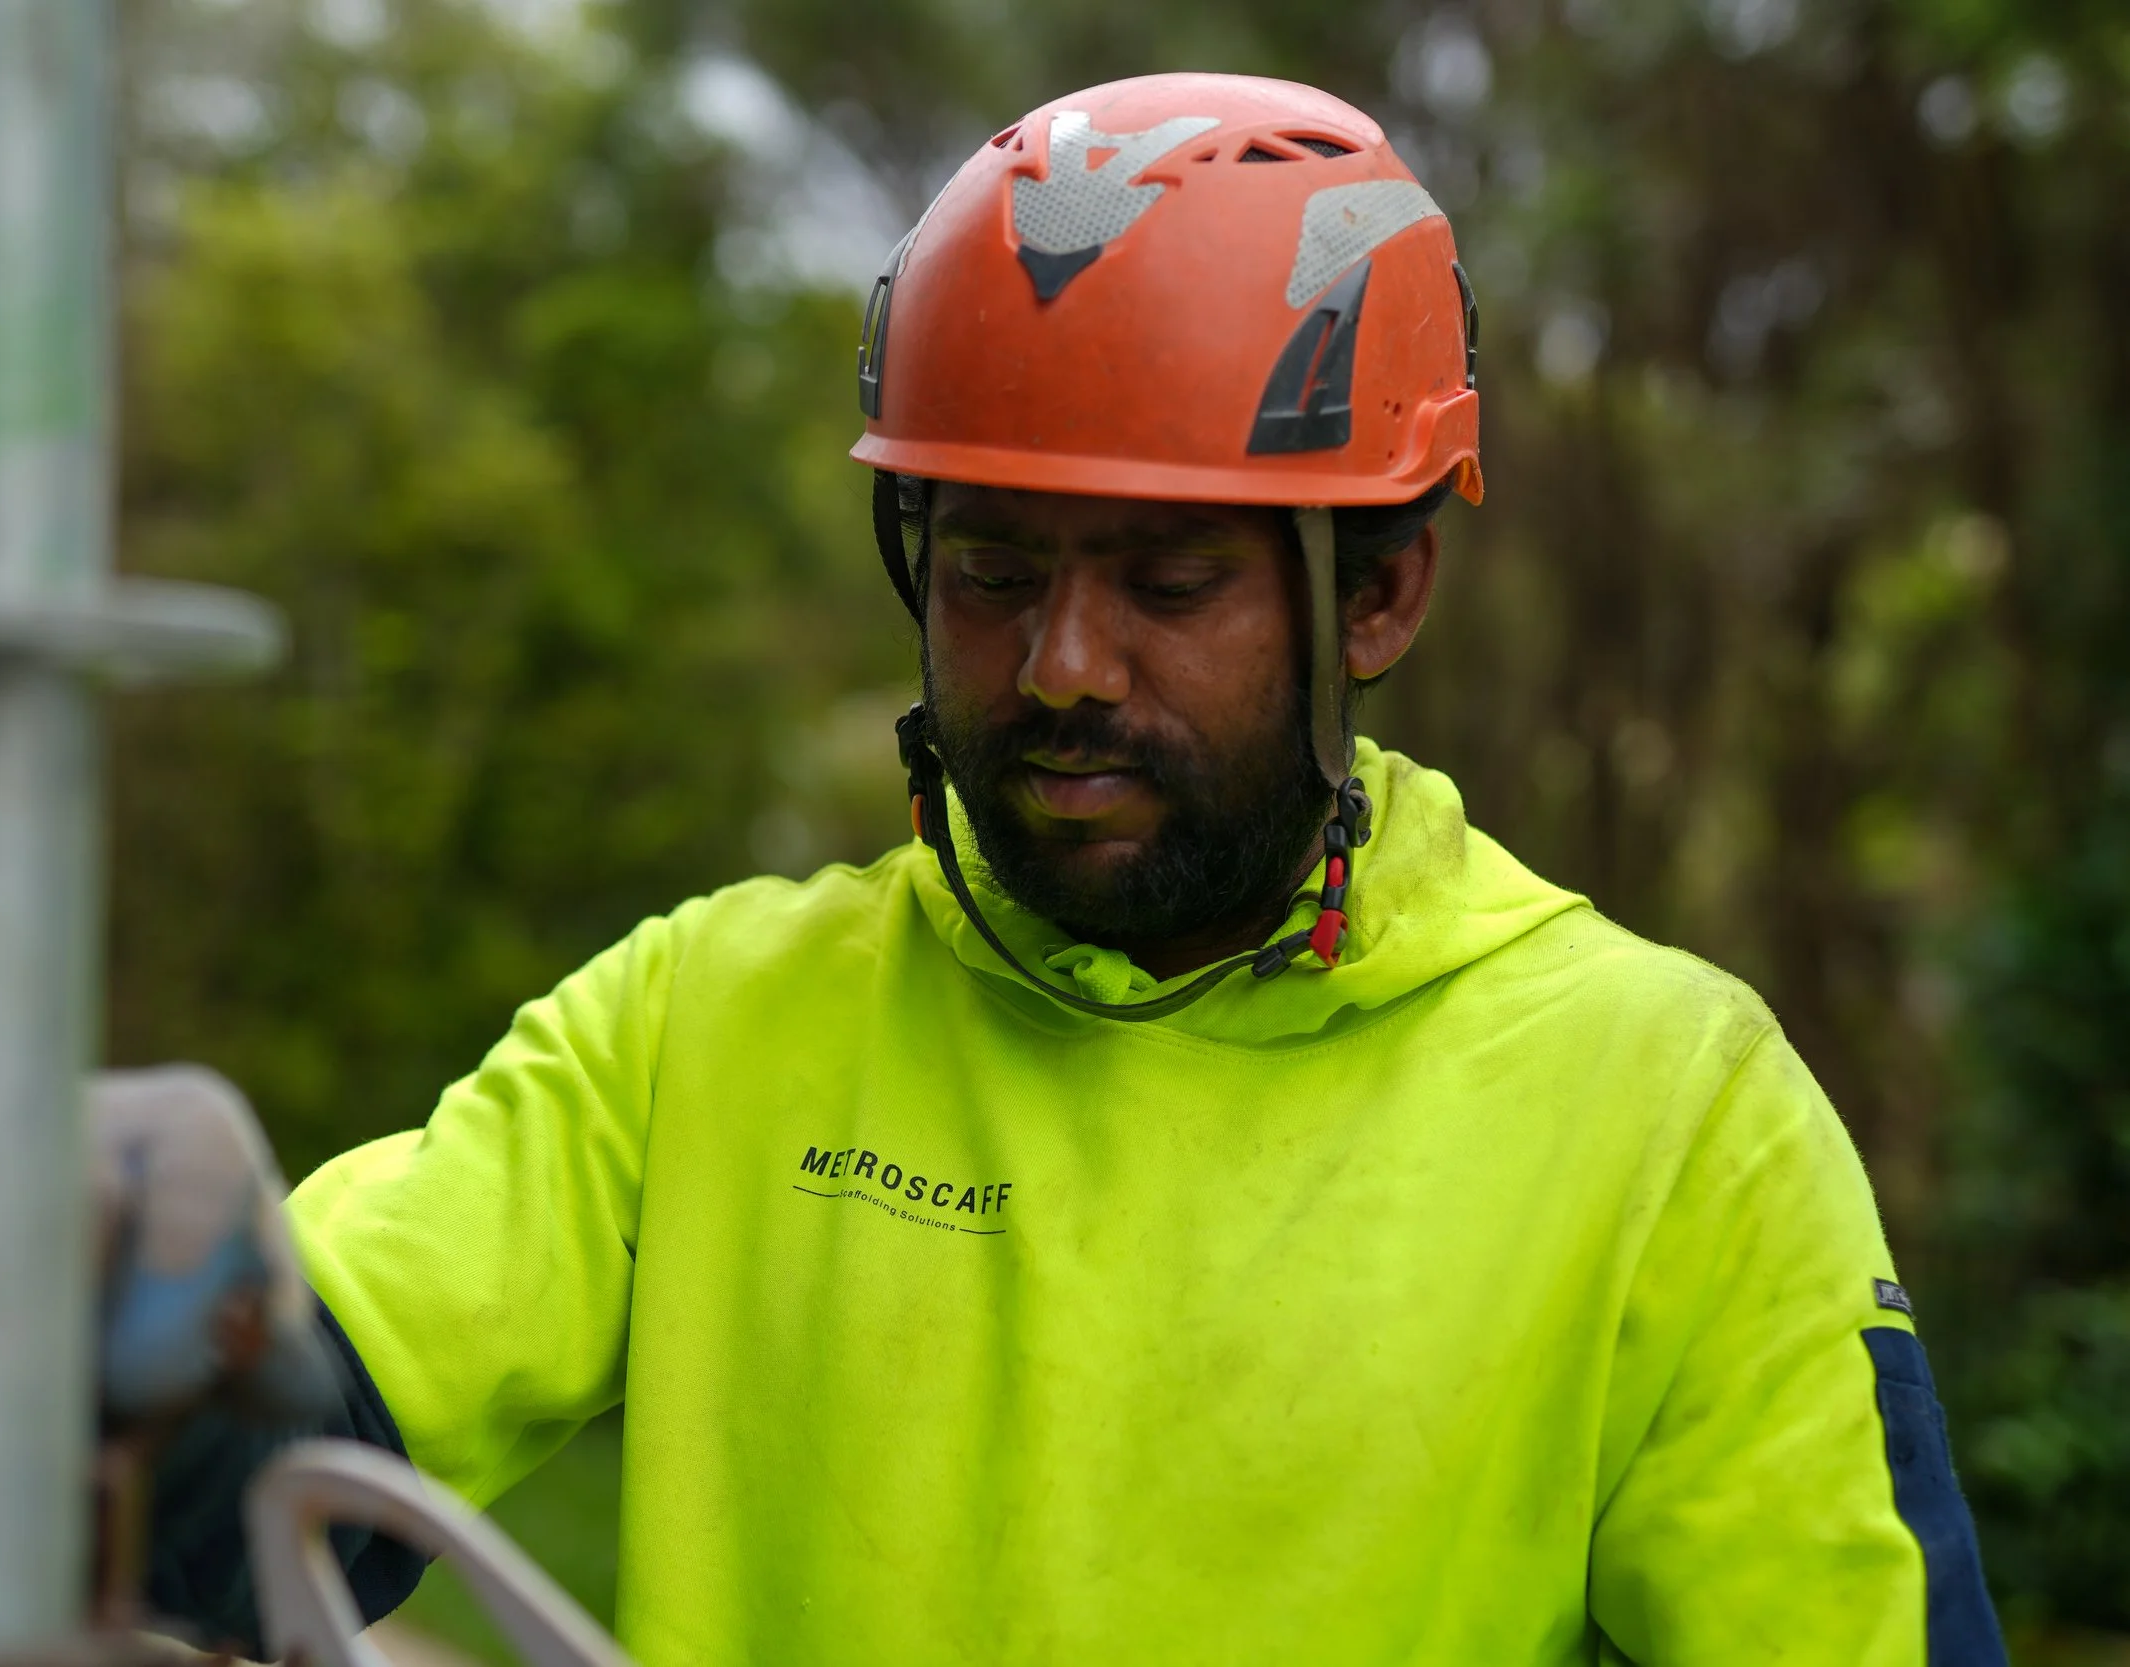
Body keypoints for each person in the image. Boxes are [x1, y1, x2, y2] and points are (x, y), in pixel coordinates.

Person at [103, 72, 2007, 1666]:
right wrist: (141, 1345)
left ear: (1387, 592)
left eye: (1168, 583)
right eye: (995, 568)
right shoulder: (708, 1027)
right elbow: (289, 1484)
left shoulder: (1672, 1111)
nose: (1062, 667)